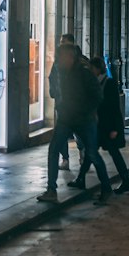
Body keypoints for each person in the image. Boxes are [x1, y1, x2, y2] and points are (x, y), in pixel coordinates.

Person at [40, 43, 112, 203]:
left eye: (62, 57)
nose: (59, 61)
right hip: (66, 118)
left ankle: (106, 188)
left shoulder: (84, 73)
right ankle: (51, 189)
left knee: (92, 153)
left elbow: (97, 96)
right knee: (54, 150)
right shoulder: (61, 71)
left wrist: (84, 111)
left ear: (71, 57)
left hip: (84, 119)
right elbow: (58, 89)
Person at [89, 56, 129, 197]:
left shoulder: (109, 83)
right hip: (100, 125)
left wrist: (114, 128)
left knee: (112, 154)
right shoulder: (96, 83)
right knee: (92, 153)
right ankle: (120, 183)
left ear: (97, 68)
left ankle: (122, 182)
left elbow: (114, 107)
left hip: (108, 126)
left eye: (92, 68)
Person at [48, 33, 76, 169]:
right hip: (62, 105)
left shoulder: (79, 60)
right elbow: (52, 77)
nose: (60, 44)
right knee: (58, 140)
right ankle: (65, 159)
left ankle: (85, 156)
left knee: (82, 137)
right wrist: (54, 92)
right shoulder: (58, 62)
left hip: (78, 107)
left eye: (63, 42)